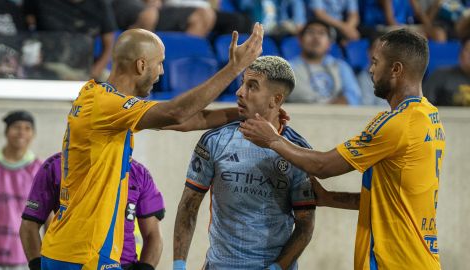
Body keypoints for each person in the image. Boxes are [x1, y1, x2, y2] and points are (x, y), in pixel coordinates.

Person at [40, 24, 264, 270]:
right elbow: (177, 113)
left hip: (67, 249)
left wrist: (246, 114)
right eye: (159, 63)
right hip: (84, 253)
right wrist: (234, 68)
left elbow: (191, 119)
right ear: (141, 65)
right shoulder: (106, 105)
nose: (162, 71)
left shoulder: (96, 95)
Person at [241, 29, 445, 269]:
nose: (370, 70)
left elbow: (323, 166)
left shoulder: (397, 123)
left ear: (396, 70)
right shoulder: (429, 116)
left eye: (375, 63)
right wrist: (328, 198)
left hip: (394, 262)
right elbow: (391, 202)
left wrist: (273, 140)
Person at [173, 56, 316, 270]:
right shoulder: (215, 140)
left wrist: (276, 268)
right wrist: (178, 265)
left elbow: (305, 226)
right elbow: (188, 207)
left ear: (275, 100)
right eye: (242, 83)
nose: (240, 92)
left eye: (252, 86)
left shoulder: (298, 151)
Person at [20, 153, 164, 270]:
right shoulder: (56, 166)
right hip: (68, 263)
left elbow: (153, 234)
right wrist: (38, 266)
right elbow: (29, 226)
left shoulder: (138, 173)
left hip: (123, 264)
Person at [0, 110, 41, 270]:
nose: (21, 133)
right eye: (16, 127)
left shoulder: (39, 169)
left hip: (23, 256)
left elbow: (49, 217)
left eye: (27, 128)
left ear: (33, 134)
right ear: (6, 132)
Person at [287, 20, 361, 105]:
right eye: (310, 32)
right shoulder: (288, 68)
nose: (316, 37)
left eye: (321, 33)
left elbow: (354, 95)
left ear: (329, 44)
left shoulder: (340, 66)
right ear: (300, 40)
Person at [423, 36, 470, 106]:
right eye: (467, 50)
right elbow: (424, 103)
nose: (468, 56)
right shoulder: (440, 74)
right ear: (460, 54)